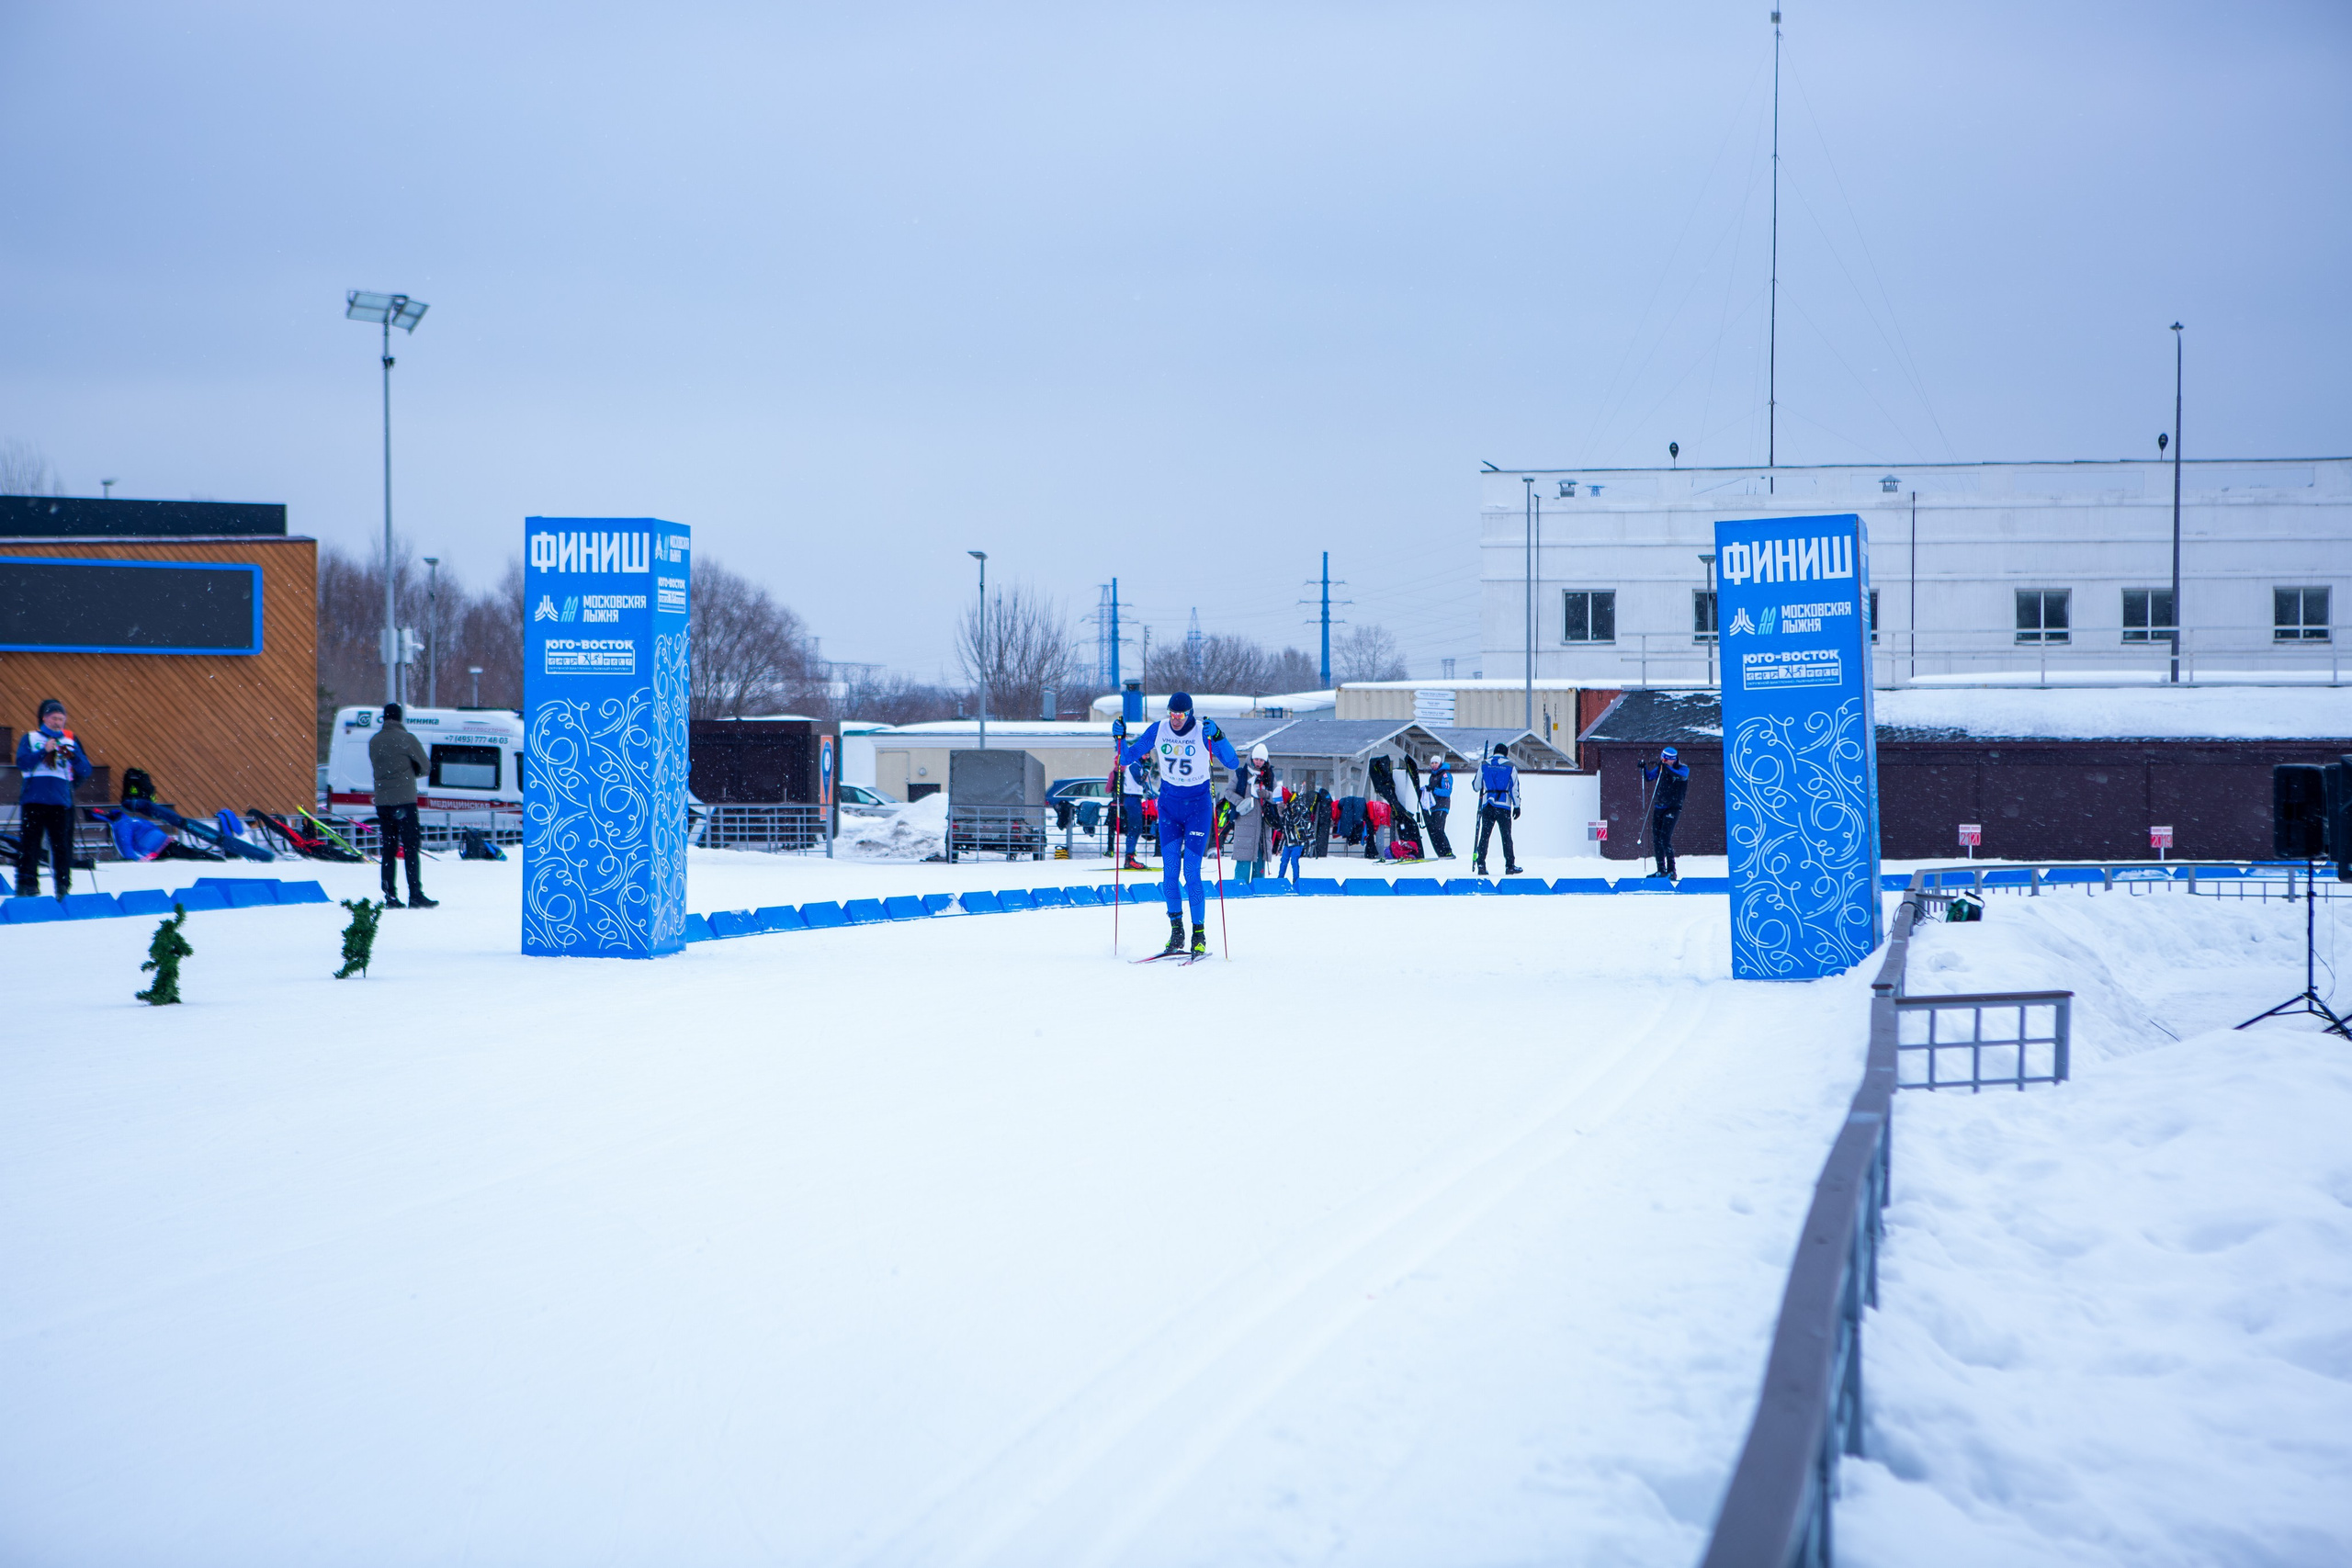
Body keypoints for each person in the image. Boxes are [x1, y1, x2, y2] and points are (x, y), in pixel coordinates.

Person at [1117, 692, 1238, 956]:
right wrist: (1119, 738)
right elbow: (1127, 757)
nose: (1175, 719)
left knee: (1191, 872)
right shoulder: (1159, 729)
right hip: (1170, 806)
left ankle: (1199, 934)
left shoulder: (1202, 732)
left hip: (1198, 806)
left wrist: (1219, 736)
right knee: (1170, 872)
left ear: (1190, 713)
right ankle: (1176, 932)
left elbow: (1232, 762)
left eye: (1181, 715)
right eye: (1172, 713)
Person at [14, 698, 90, 898]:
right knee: (29, 845)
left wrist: (74, 757)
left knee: (62, 847)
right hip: (34, 800)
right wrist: (43, 751)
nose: (58, 723)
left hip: (60, 802)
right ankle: (27, 885)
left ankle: (62, 887)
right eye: (54, 718)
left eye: (61, 719)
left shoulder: (70, 741)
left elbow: (85, 769)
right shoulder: (30, 738)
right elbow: (22, 763)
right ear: (45, 718)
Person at [367, 703, 437, 908]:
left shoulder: (374, 741)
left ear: (384, 718)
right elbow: (425, 767)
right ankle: (415, 894)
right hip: (405, 801)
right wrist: (411, 771)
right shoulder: (407, 739)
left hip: (382, 802)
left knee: (388, 849)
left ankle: (390, 896)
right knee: (410, 848)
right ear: (400, 718)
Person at [1224, 743, 1275, 884]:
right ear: (1252, 758)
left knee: (1260, 858)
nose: (1258, 762)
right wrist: (1242, 802)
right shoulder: (1241, 773)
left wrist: (1267, 794)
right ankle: (1239, 886)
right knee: (1244, 858)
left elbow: (1278, 797)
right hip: (1244, 822)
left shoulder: (1270, 776)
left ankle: (1258, 887)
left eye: (1261, 760)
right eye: (1256, 759)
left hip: (1263, 826)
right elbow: (1228, 792)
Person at [1473, 741, 1522, 876]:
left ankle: (1481, 864)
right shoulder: (1510, 766)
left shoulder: (1484, 764)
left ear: (1494, 752)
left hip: (1487, 804)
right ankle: (1510, 866)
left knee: (1484, 835)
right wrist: (1517, 806)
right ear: (1506, 753)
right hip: (1504, 805)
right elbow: (1514, 789)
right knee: (1506, 836)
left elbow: (1476, 786)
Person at [1643, 746, 1690, 881]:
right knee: (1656, 839)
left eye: (1666, 759)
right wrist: (1644, 768)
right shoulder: (1661, 768)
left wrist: (1665, 767)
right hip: (1660, 807)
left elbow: (1680, 776)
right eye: (1662, 758)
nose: (1663, 761)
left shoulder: (1683, 768)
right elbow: (1649, 777)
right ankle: (1661, 870)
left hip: (1673, 807)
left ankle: (1671, 871)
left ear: (1672, 760)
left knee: (1665, 839)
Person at [1423, 760, 1454, 859]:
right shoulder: (1432, 776)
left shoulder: (1445, 775)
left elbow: (1447, 791)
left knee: (1439, 829)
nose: (1434, 765)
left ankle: (1448, 851)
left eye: (1436, 763)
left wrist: (1434, 790)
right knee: (1434, 830)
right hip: (1434, 807)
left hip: (1442, 806)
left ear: (1440, 763)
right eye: (1432, 763)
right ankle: (1441, 852)